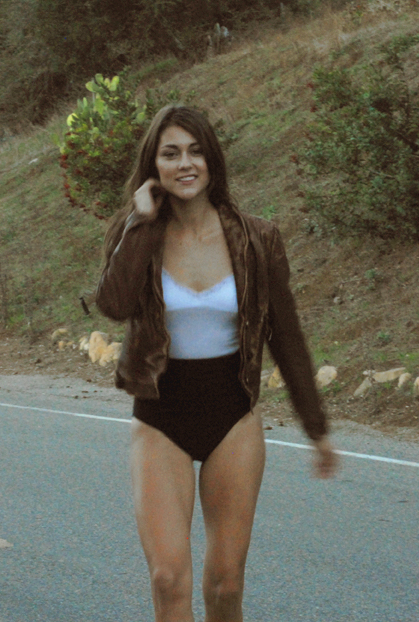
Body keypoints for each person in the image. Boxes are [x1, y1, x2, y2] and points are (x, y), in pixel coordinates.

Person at [95, 105, 338, 622]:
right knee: (167, 579)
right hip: (160, 418)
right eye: (171, 154)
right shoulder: (138, 231)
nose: (185, 164)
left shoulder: (256, 238)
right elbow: (114, 305)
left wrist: (316, 428)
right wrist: (140, 223)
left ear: (213, 161)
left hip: (234, 417)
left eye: (196, 152)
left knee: (226, 584)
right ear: (154, 165)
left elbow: (287, 339)